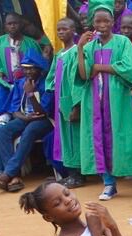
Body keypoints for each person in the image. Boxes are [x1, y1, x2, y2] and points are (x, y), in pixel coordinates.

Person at [77, 0, 132, 201]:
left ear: (112, 21)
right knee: (100, 141)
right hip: (95, 102)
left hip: (118, 100)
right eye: (98, 21)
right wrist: (80, 48)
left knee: (127, 140)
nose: (102, 24)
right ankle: (109, 184)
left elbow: (129, 70)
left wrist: (99, 67)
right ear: (93, 23)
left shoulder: (122, 42)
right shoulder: (89, 47)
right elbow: (83, 74)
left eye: (106, 20)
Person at [0, 51, 53, 193]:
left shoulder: (46, 83)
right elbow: (14, 109)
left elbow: (43, 112)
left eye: (31, 68)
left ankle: (7, 174)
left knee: (30, 131)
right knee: (2, 131)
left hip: (44, 120)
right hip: (25, 118)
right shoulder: (20, 82)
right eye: (25, 68)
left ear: (39, 69)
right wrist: (24, 117)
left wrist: (30, 93)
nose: (28, 71)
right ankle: (14, 177)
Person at [46, 18, 85, 190]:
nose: (61, 32)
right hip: (61, 102)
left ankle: (78, 176)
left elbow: (77, 80)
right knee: (65, 139)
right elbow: (51, 78)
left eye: (65, 29)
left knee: (74, 138)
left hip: (72, 101)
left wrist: (76, 105)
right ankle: (71, 174)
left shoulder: (76, 52)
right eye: (58, 29)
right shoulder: (59, 54)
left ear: (73, 30)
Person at [0, 13, 41, 85]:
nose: (12, 26)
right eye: (9, 24)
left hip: (27, 85)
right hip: (5, 85)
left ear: (21, 24)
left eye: (15, 23)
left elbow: (38, 66)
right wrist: (1, 75)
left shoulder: (31, 43)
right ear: (5, 26)